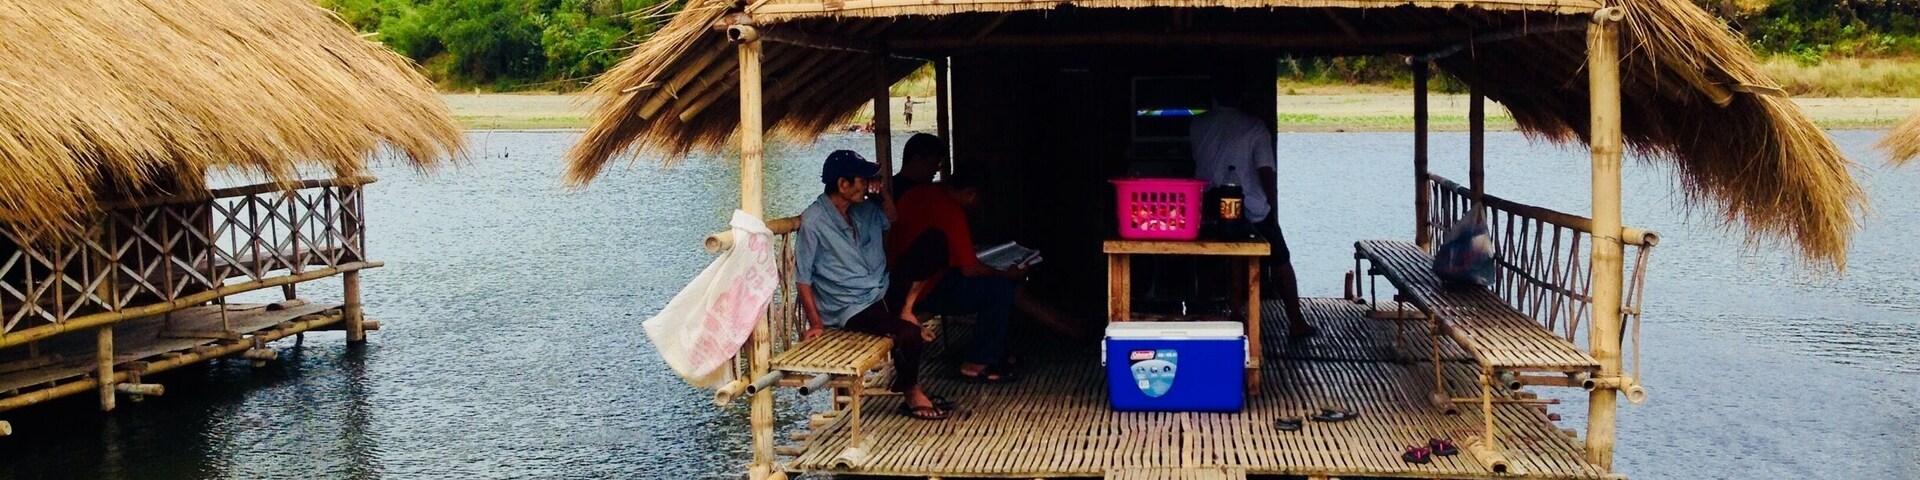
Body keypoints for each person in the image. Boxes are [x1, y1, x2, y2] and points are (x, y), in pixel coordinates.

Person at [795, 150, 951, 420]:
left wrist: (882, 196)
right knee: (908, 336)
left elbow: (891, 218)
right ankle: (911, 391)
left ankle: (906, 309)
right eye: (863, 179)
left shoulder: (865, 207)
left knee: (935, 241)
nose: (868, 184)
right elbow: (803, 279)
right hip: (852, 308)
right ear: (843, 184)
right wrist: (816, 324)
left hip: (881, 289)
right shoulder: (814, 221)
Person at [1190, 74, 1316, 339]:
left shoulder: (1198, 124)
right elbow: (1265, 171)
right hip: (1250, 207)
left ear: (1214, 96)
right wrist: (1272, 203)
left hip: (1209, 206)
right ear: (1242, 97)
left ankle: (1199, 315)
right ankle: (1295, 321)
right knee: (1280, 260)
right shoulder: (1254, 127)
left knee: (1210, 263)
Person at [886, 173, 1028, 383]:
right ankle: (976, 363)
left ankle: (992, 349)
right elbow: (969, 270)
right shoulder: (950, 211)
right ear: (970, 194)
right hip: (922, 290)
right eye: (980, 199)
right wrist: (1006, 274)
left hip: (898, 281)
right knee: (999, 290)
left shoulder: (918, 193)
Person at [892, 133, 948, 198]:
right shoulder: (919, 194)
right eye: (933, 163)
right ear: (917, 160)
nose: (937, 168)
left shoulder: (891, 186)